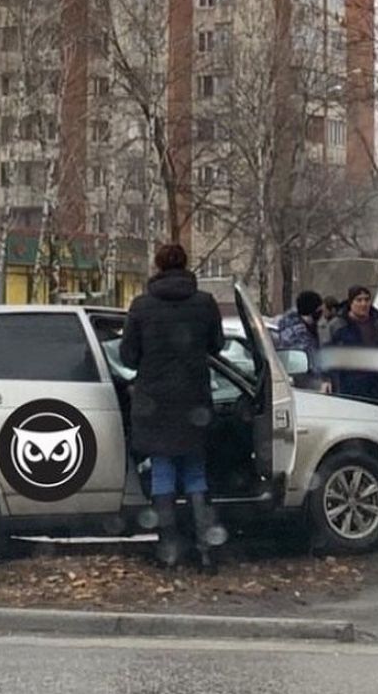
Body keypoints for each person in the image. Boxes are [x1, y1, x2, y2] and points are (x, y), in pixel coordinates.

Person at [120, 244, 229, 570]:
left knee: (163, 471)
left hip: (154, 403)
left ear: (157, 266)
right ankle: (206, 550)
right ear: (185, 265)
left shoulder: (142, 306)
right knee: (196, 474)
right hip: (194, 401)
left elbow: (127, 356)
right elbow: (218, 346)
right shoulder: (204, 303)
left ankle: (169, 550)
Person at [328, 285, 378, 398]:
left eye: (367, 300)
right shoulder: (338, 325)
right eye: (359, 300)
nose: (363, 304)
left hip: (376, 383)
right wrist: (327, 379)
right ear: (351, 302)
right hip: (348, 383)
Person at [274, 291, 331, 391]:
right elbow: (308, 362)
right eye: (319, 310)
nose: (321, 314)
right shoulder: (297, 334)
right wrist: (321, 382)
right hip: (304, 385)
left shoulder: (302, 324)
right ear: (312, 312)